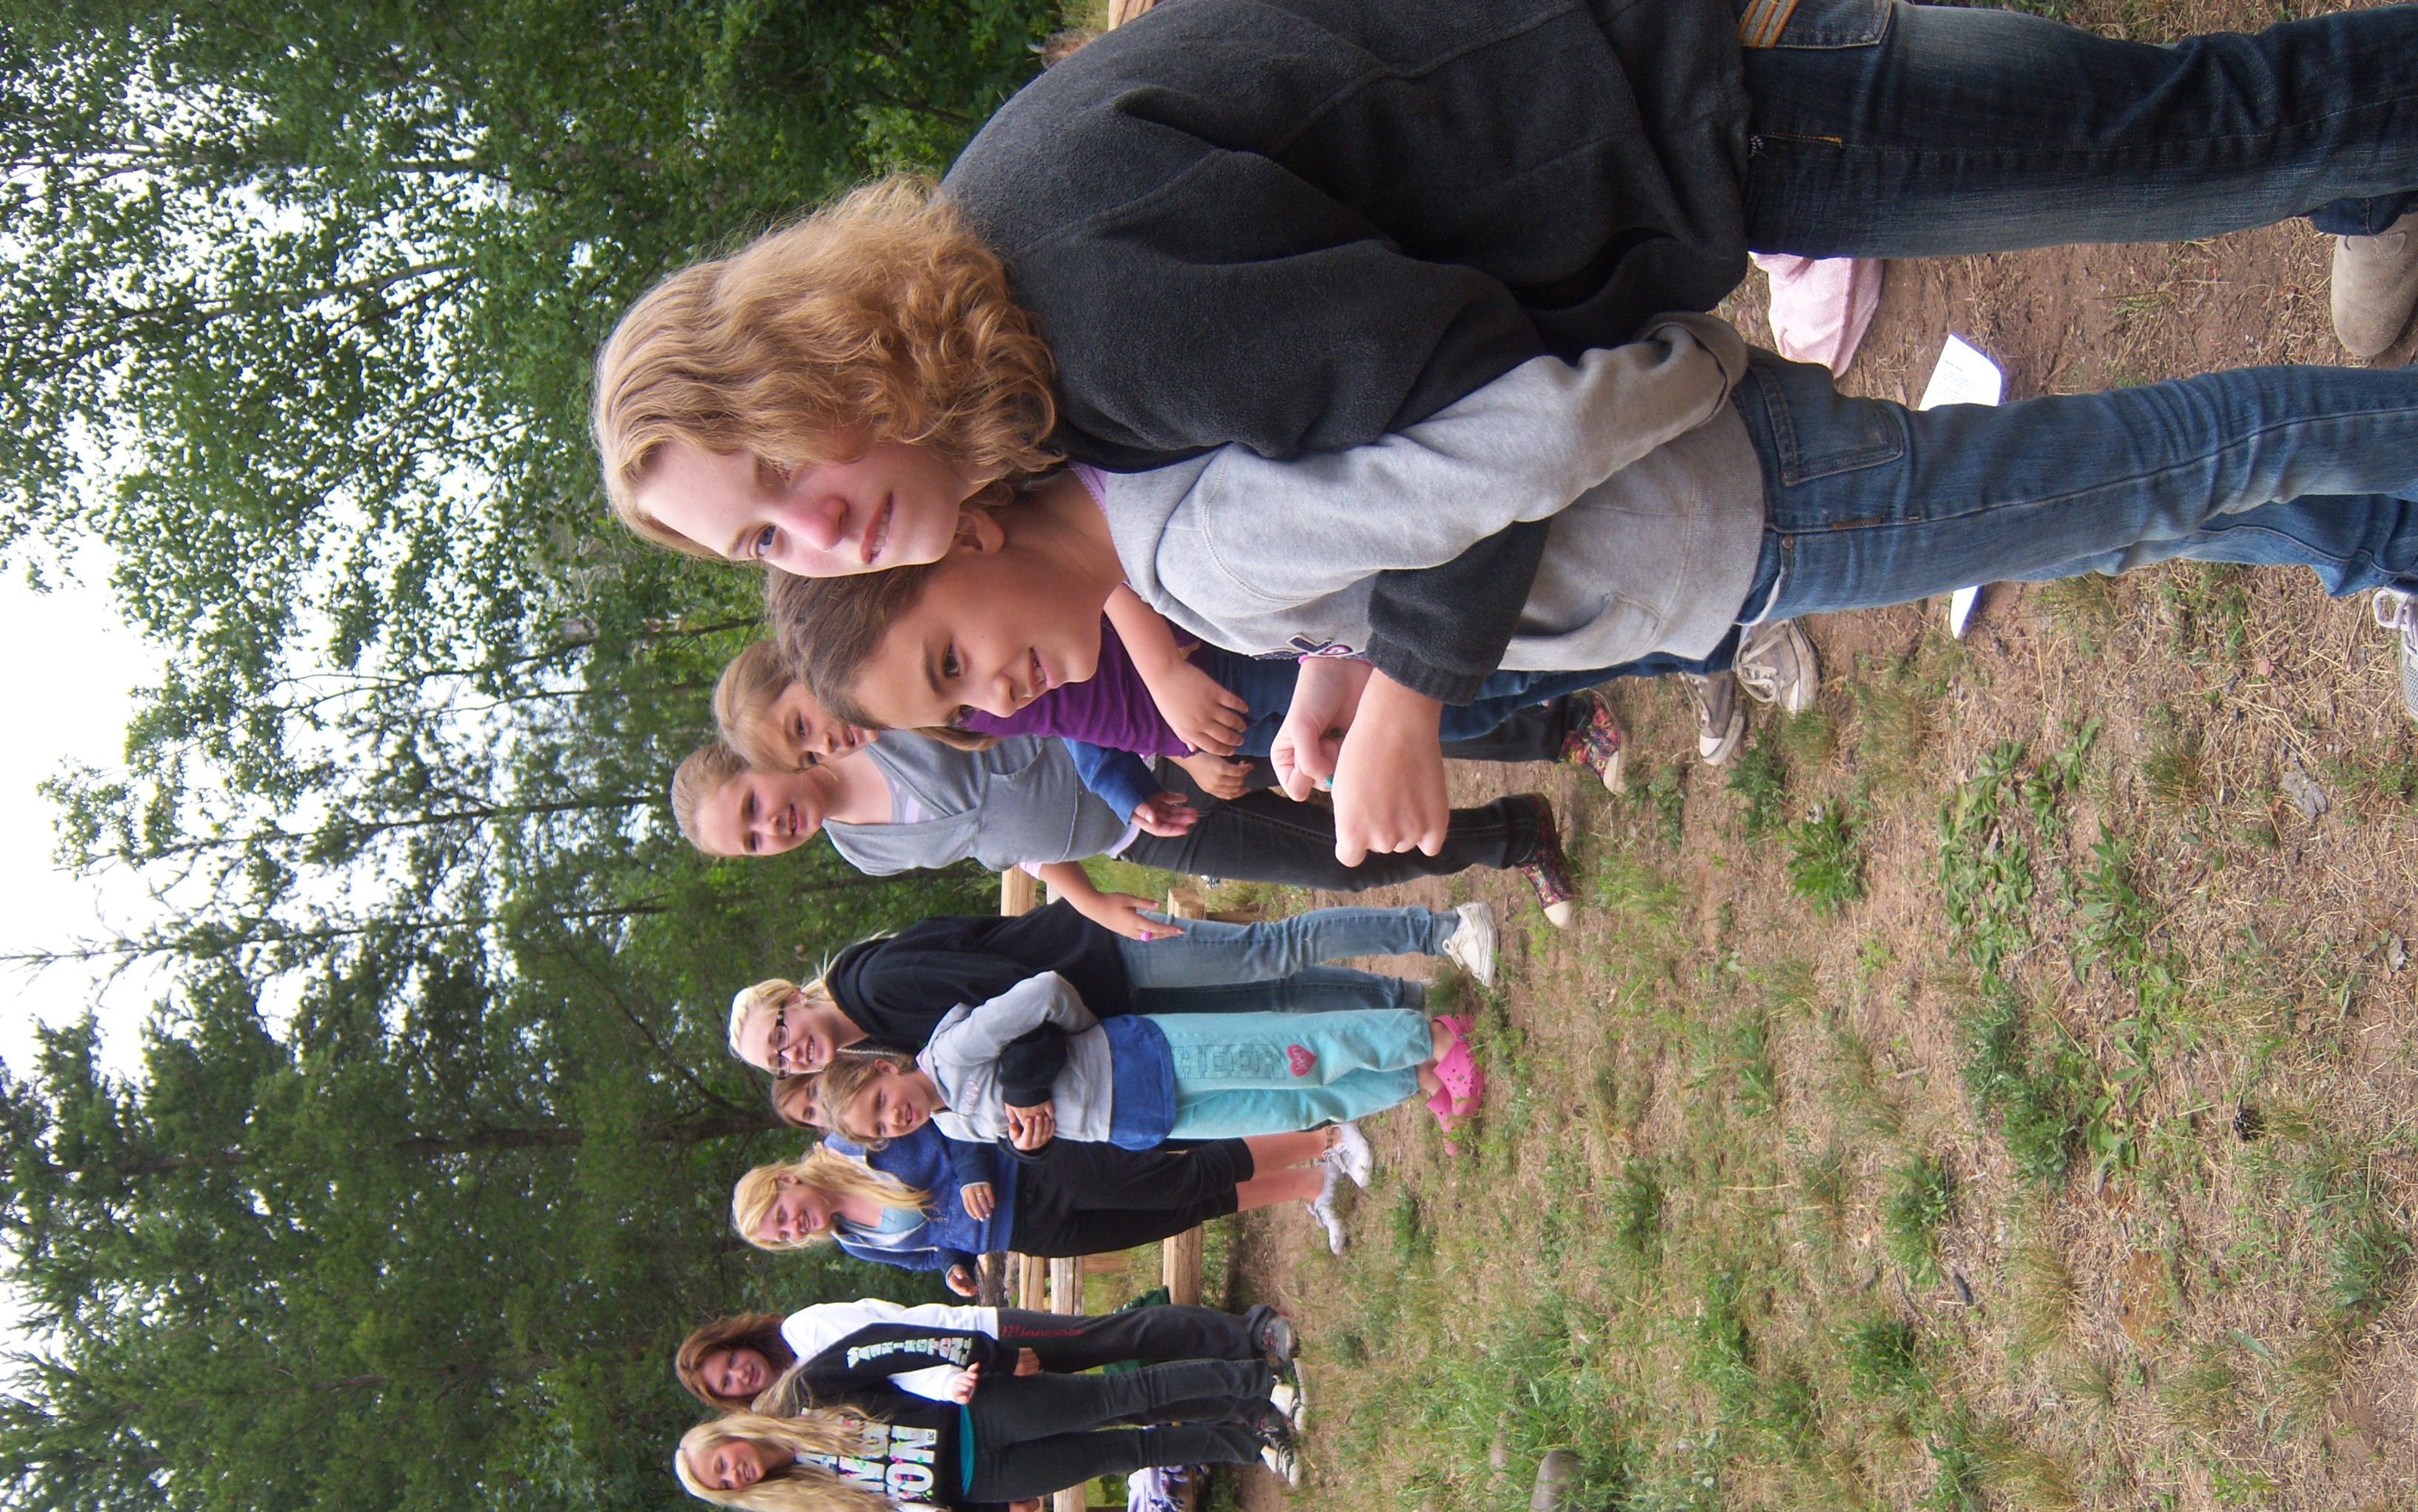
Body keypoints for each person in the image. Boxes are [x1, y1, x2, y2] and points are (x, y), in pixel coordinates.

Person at [594, 0, 2418, 852]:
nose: (815, 535)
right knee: (2200, 204)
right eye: (759, 542)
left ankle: (2357, 160)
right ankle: (2366, 219)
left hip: (1709, 111)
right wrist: (1350, 669)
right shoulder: (1043, 379)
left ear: (806, 361)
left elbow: (1479, 397)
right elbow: (1386, 449)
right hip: (1685, 200)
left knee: (2200, 135)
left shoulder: (1083, 310)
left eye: (780, 480)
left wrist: (1404, 692)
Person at [778, 313, 2418, 754]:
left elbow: (1492, 460)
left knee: (2144, 474)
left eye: (950, 662)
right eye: (963, 714)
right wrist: (1343, 683)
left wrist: (1403, 701)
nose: (1001, 696)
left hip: (1735, 505)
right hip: (1720, 528)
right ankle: (2380, 549)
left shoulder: (1187, 554)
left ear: (960, 540)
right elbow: (1389, 538)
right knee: (2115, 519)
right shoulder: (1169, 553)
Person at [667, 729, 1581, 922]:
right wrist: (1091, 898)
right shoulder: (863, 850)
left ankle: (1560, 724)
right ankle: (1517, 834)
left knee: (1353, 742)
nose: (769, 827)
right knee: (1345, 862)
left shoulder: (866, 718)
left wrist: (1159, 750)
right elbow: (1010, 844)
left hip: (1151, 743)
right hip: (1144, 832)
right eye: (751, 842)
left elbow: (1035, 697)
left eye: (750, 807)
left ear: (757, 758)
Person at [713, 630, 1639, 799]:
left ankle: (1625, 655)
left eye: (800, 727)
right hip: (1199, 725)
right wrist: (1161, 761)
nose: (824, 745)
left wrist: (1163, 675)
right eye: (807, 758)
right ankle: (1602, 672)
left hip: (1207, 665)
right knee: (1431, 727)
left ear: (798, 660)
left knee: (1428, 688)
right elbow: (1067, 718)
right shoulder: (930, 716)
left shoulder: (913, 639)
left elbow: (1081, 563)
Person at [723, 898, 1488, 1068]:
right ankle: (1413, 1005)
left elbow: (1007, 986)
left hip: (1103, 953)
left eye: (778, 1033)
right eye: (777, 1062)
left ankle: (1442, 930)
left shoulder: (878, 985)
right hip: (1111, 1002)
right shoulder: (880, 1032)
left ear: (791, 998)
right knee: (1274, 998)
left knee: (1270, 951)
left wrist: (1029, 1068)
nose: (791, 1052)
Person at [675, 1359, 1299, 1512]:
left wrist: (975, 1361)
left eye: (722, 1462)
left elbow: (894, 1357)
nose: (734, 1474)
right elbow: (904, 1507)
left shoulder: (805, 1393)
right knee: (1127, 1450)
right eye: (724, 1484)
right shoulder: (810, 1499)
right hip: (986, 1477)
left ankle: (1257, 1383)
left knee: (1119, 1397)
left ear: (728, 1434)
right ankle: (1253, 1442)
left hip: (982, 1412)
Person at [813, 972, 1484, 1150]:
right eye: (881, 1130)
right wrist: (1032, 1147)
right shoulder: (953, 1126)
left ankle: (1431, 1037)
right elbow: (1033, 1131)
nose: (894, 1120)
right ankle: (1414, 1078)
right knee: (1297, 1107)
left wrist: (1091, 1036)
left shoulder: (953, 1053)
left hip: (1148, 1058)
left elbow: (1044, 994)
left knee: (1295, 1058)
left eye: (880, 1105)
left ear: (883, 1070)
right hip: (1140, 1121)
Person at [725, 1120, 1368, 1277]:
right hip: (1027, 1234)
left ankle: (1328, 1137)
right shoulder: (854, 1241)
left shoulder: (854, 1143)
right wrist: (951, 1267)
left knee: (1175, 1177)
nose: (794, 1227)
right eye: (783, 1237)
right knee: (1177, 1211)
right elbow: (927, 1253)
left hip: (1030, 1172)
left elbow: (944, 1118)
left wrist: (972, 1174)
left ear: (785, 1180)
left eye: (781, 1216)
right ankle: (1310, 1184)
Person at [673, 1297, 1300, 1411]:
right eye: (728, 1384)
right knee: (1119, 1402)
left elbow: (894, 1341)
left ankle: (1249, 1333)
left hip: (981, 1339)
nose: (740, 1374)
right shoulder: (799, 1408)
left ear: (739, 1342)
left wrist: (981, 1361)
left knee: (1112, 1339)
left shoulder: (806, 1333)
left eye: (730, 1362)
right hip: (975, 1395)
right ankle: (1246, 1394)